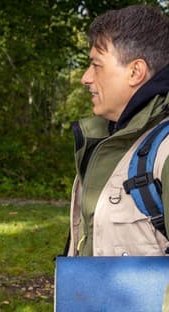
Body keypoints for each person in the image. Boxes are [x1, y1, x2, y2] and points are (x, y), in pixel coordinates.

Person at [67, 4, 169, 257]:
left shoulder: (164, 151)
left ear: (135, 71)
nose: (86, 78)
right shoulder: (105, 142)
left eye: (96, 65)